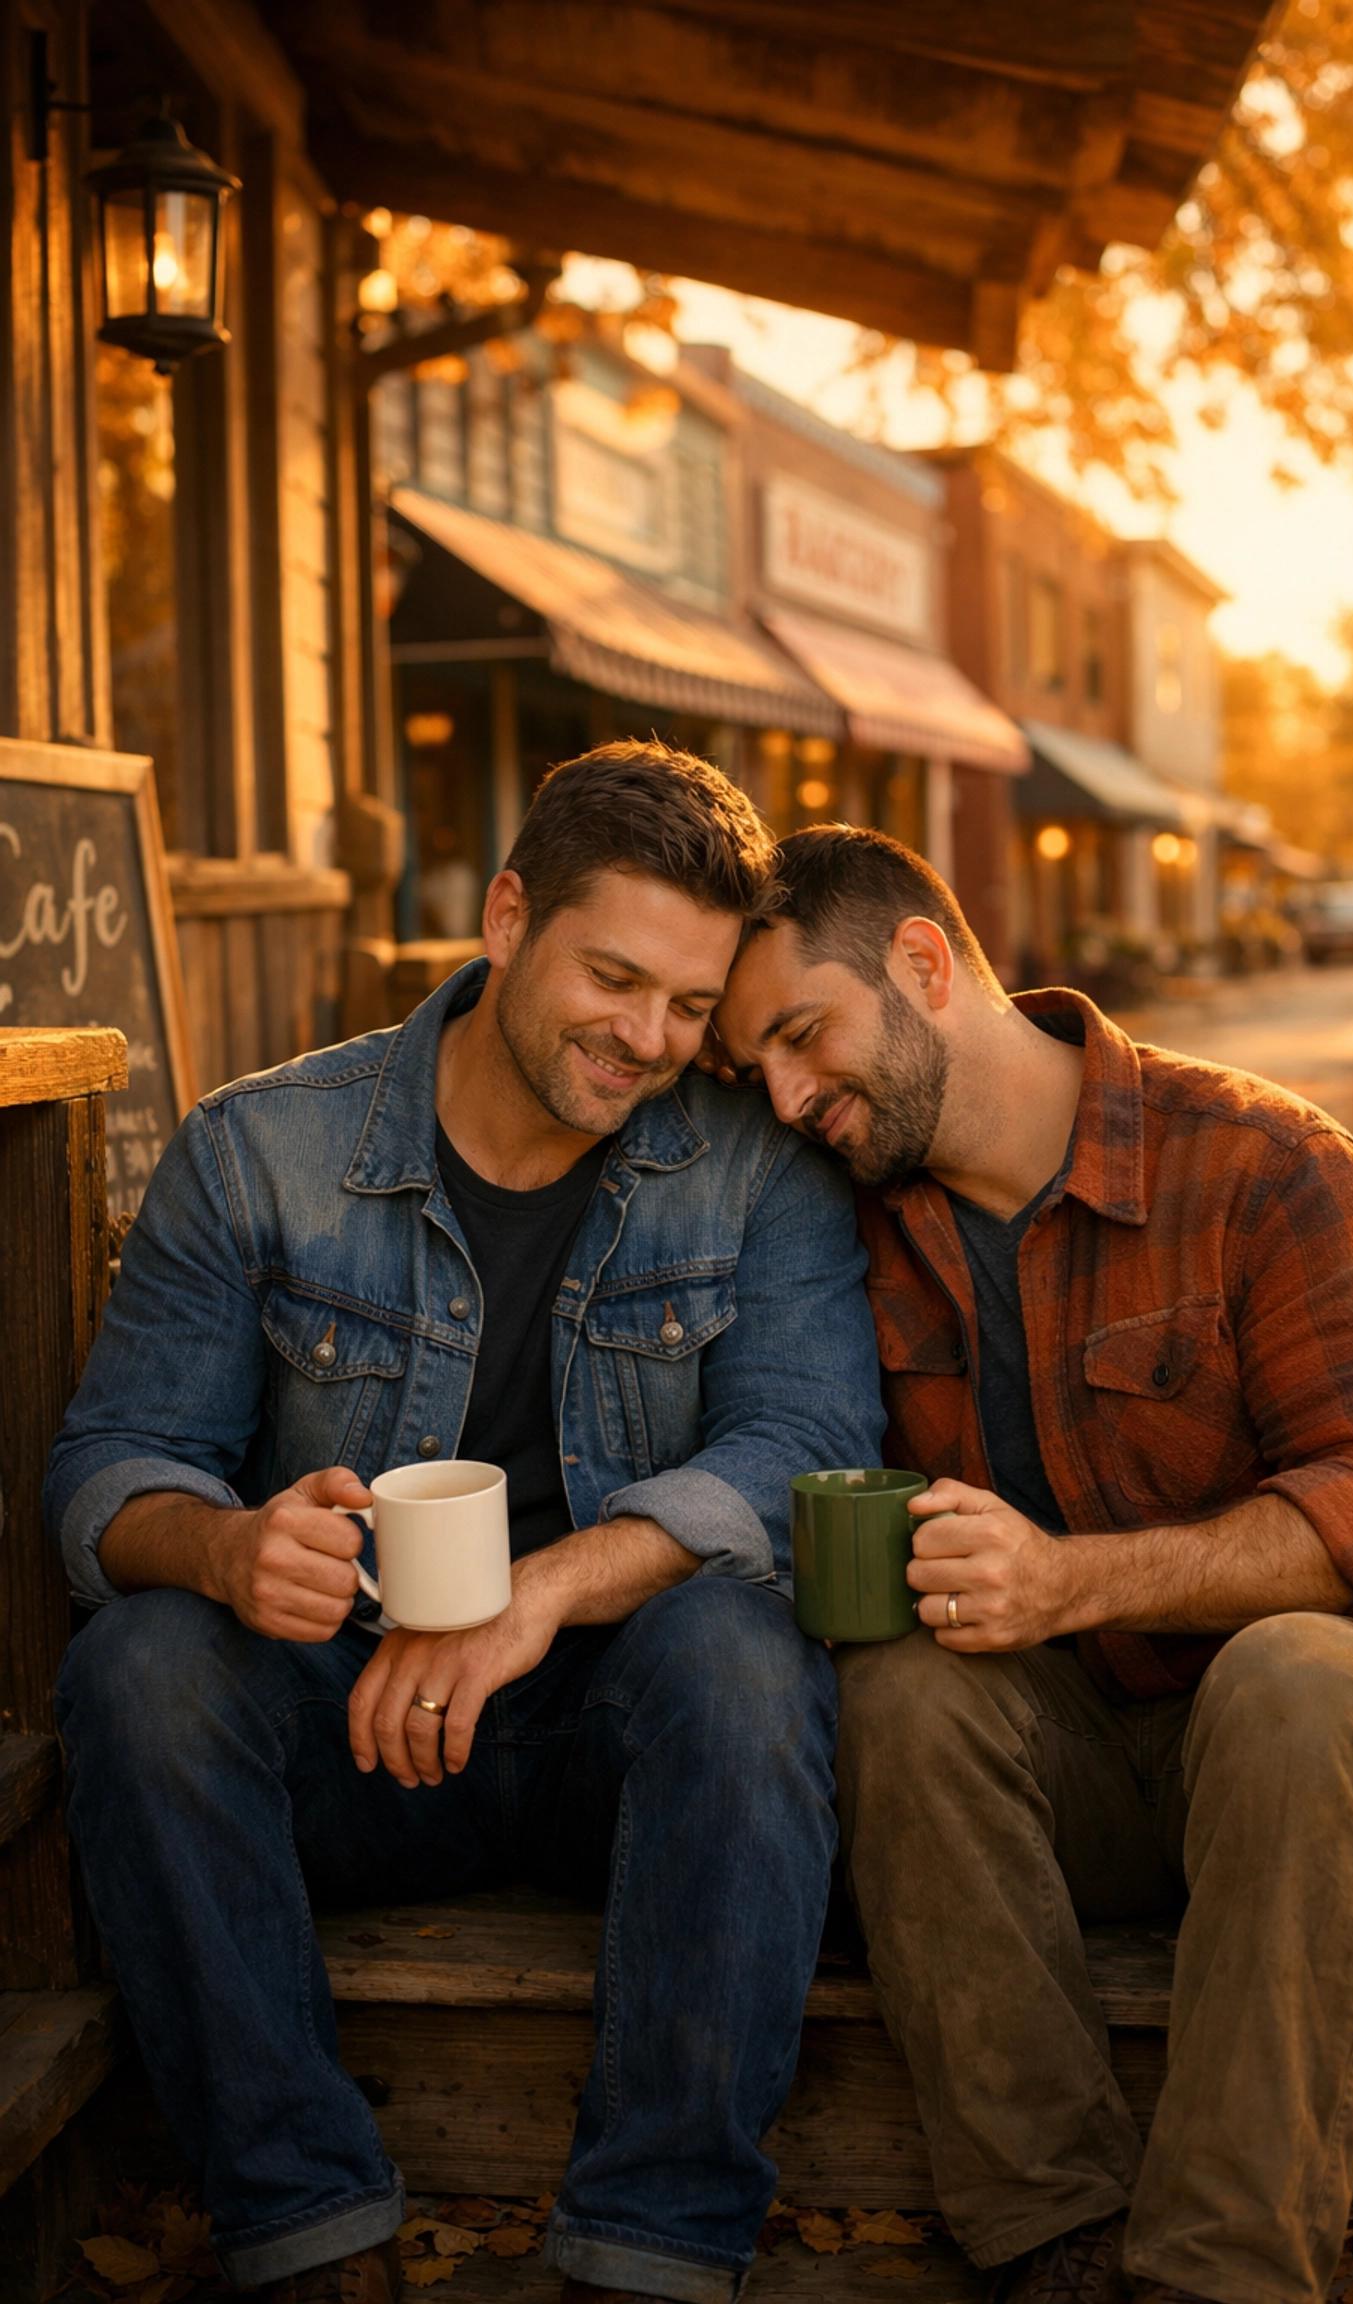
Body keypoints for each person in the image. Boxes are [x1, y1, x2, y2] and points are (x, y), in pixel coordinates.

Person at [46, 745, 884, 2304]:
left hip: (614, 1747)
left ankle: (651, 2250)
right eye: (612, 978)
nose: (648, 1039)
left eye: (690, 1005)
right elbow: (113, 1466)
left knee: (744, 1655)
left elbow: (806, 1445)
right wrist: (227, 1548)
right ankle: (307, 2233)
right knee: (140, 1666)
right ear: (507, 918)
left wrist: (544, 1593)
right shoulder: (258, 1151)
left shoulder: (755, 1170)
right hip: (349, 1724)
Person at [712, 824, 1353, 2304]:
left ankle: (1220, 2279)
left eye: (801, 1035)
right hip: (1072, 1772)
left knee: (1298, 1679)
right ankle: (1055, 2242)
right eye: (750, 1063)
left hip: (1333, 1779)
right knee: (899, 1686)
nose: (782, 1097)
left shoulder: (1267, 1163)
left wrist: (1074, 1579)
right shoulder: (844, 1228)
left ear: (923, 963)